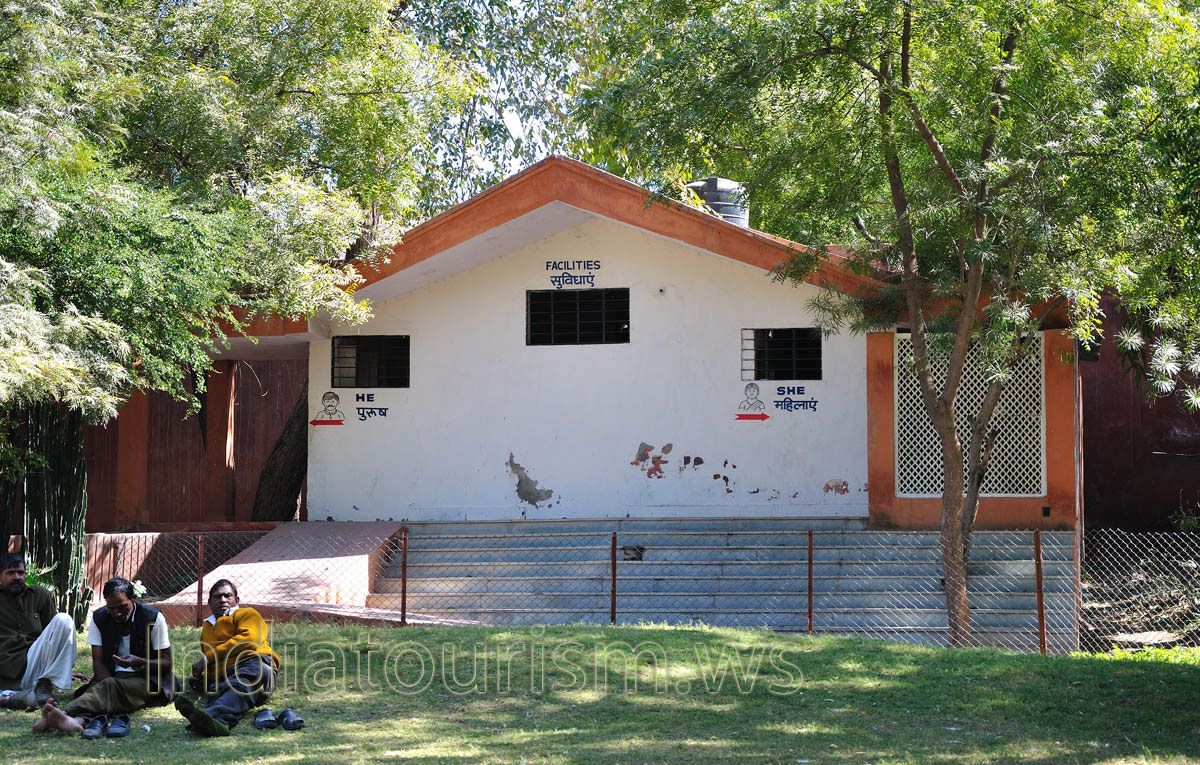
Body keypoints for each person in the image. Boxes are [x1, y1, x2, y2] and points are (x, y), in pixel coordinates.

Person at [35, 576, 177, 737]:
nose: (116, 613)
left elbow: (166, 663)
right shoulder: (99, 618)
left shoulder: (153, 618)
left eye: (122, 607)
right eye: (111, 608)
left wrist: (139, 661)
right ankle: (76, 722)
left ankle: (64, 713)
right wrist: (105, 686)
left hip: (148, 678)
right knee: (102, 693)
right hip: (110, 676)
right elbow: (98, 661)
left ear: (134, 599)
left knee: (105, 690)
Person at [176, 579, 280, 736]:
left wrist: (206, 659)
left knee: (248, 677)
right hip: (225, 677)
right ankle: (212, 720)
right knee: (226, 687)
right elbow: (215, 661)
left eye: (227, 596)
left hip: (254, 664)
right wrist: (202, 678)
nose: (223, 600)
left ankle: (213, 718)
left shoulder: (247, 614)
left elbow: (250, 640)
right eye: (217, 597)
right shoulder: (207, 627)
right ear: (210, 602)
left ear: (236, 600)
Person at [0, 552, 76, 710]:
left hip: (34, 664)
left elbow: (53, 635)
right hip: (5, 669)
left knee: (64, 619)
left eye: (20, 572)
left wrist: (63, 666)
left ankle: (43, 685)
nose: (17, 577)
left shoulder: (40, 595)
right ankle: (19, 697)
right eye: (10, 573)